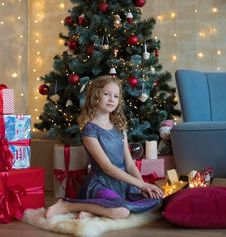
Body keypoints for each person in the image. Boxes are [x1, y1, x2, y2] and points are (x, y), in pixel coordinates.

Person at [46, 75, 163, 220]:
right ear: (95, 96)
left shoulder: (120, 128)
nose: (112, 99)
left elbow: (129, 165)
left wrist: (142, 186)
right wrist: (141, 184)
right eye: (106, 94)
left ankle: (94, 211)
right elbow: (107, 167)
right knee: (122, 211)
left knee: (157, 201)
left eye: (116, 96)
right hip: (101, 184)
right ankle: (67, 206)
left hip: (123, 183)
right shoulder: (90, 130)